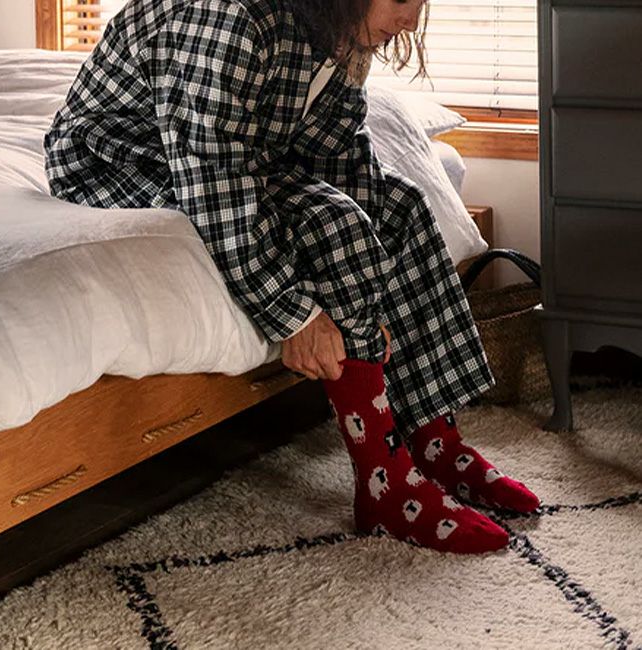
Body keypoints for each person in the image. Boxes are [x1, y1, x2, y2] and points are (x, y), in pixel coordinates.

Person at [43, 0, 540, 554]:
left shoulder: (335, 25)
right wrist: (294, 316)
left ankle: (433, 442)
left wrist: (378, 284)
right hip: (121, 161)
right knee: (335, 226)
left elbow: (338, 153)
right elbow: (215, 184)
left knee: (402, 207)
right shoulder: (229, 18)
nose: (411, 19)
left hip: (240, 152)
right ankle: (384, 484)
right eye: (403, 0)